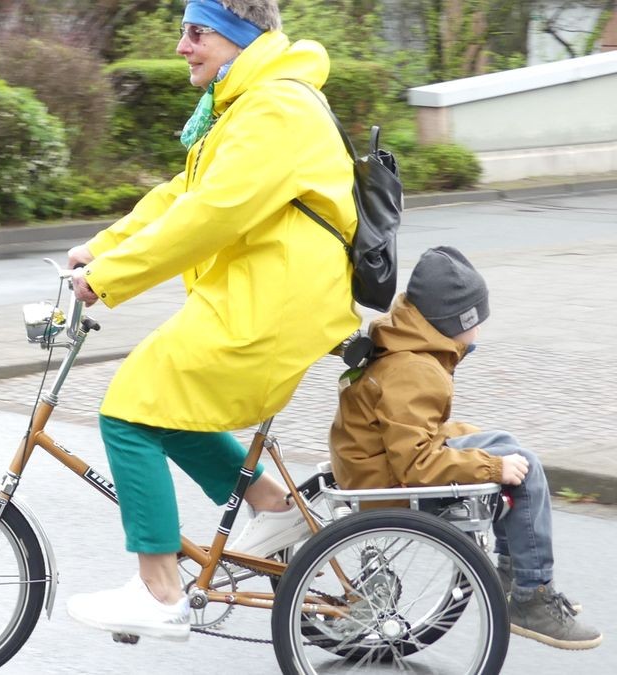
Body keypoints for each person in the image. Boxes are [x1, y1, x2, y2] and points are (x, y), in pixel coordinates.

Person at [64, 0, 360, 641]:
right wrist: (104, 246)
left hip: (273, 307)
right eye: (182, 32)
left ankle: (158, 589)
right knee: (163, 406)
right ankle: (270, 506)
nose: (181, 46)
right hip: (261, 295)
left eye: (196, 33)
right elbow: (185, 194)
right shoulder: (247, 103)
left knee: (128, 409)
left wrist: (110, 280)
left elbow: (213, 215)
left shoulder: (276, 106)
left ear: (239, 39)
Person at [329, 246, 602, 650]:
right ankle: (531, 596)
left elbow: (409, 434)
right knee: (521, 468)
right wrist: (491, 468)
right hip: (385, 482)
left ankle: (514, 582)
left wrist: (490, 453)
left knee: (508, 446)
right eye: (476, 323)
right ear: (452, 323)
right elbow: (416, 464)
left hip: (374, 461)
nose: (479, 334)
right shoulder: (416, 369)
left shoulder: (407, 343)